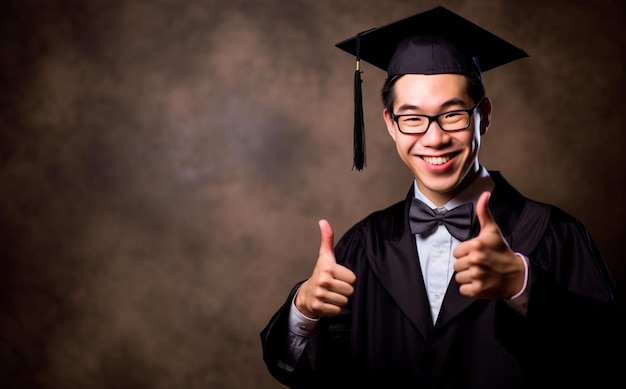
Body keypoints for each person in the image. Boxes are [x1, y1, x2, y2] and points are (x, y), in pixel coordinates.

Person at [260, 5, 625, 389]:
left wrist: (524, 287)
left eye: (453, 115)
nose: (434, 138)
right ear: (390, 125)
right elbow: (317, 376)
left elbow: (608, 360)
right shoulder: (363, 246)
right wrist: (304, 310)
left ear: (483, 115)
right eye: (413, 118)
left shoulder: (555, 234)